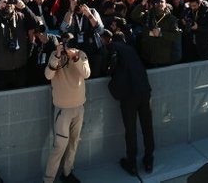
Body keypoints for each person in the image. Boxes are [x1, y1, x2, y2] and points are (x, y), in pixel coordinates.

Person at [101, 30, 154, 176]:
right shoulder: (131, 49)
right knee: (147, 126)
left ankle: (132, 164)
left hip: (129, 95)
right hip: (144, 91)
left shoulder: (113, 48)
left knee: (130, 130)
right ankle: (149, 160)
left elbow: (109, 67)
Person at [43, 33, 90, 183]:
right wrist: (57, 55)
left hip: (79, 107)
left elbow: (87, 73)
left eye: (70, 42)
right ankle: (48, 180)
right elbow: (48, 75)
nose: (68, 45)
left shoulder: (81, 54)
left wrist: (75, 57)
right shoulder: (54, 55)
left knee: (74, 143)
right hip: (63, 110)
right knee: (59, 147)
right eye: (65, 42)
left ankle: (67, 173)